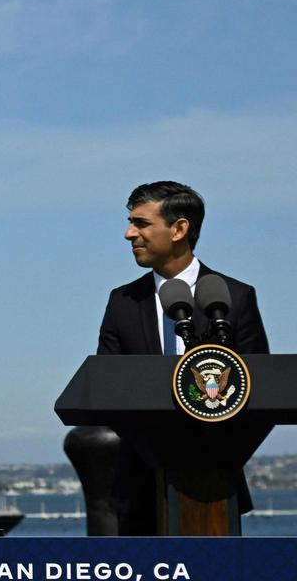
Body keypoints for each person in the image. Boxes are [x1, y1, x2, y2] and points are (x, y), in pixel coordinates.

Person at [96, 180, 268, 534]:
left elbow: (261, 389)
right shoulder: (123, 302)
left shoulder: (235, 297)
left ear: (179, 229)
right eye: (130, 223)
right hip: (139, 490)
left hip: (216, 489)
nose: (130, 234)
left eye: (141, 223)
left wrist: (213, 450)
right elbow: (106, 387)